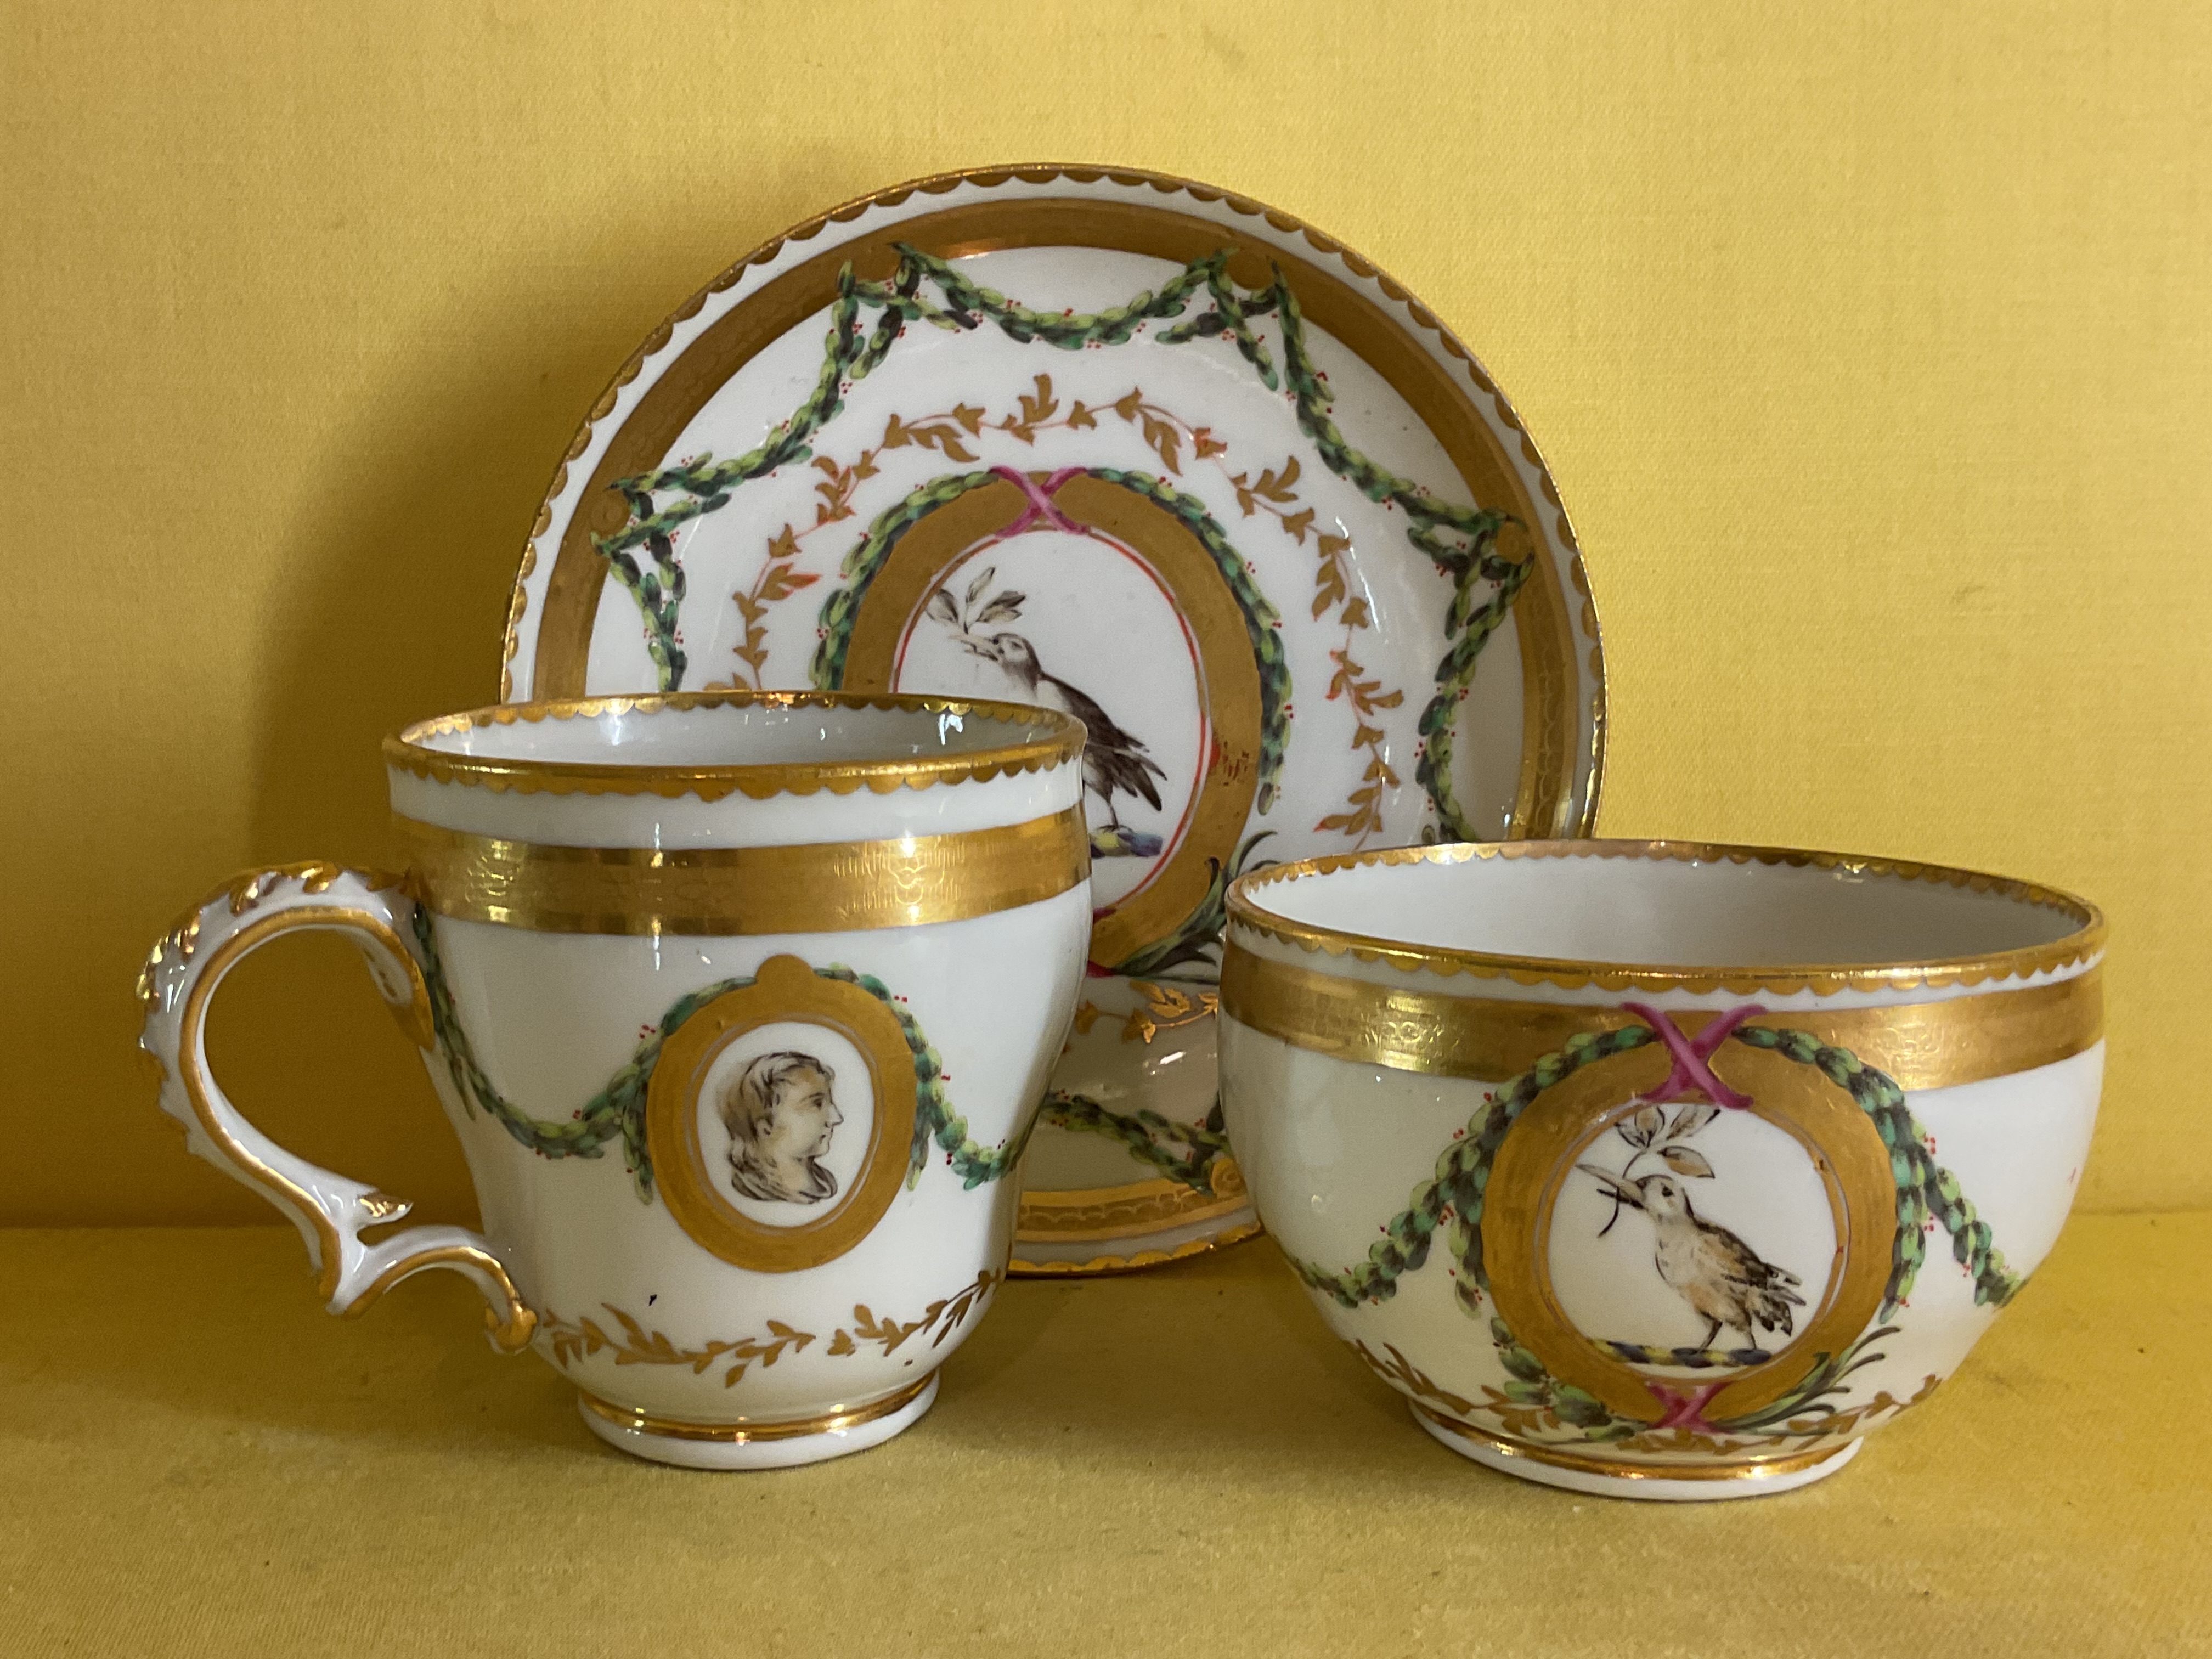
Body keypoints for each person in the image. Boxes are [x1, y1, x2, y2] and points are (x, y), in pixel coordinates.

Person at [719, 1051, 843, 1205]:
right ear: (766, 1128)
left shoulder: (827, 1183)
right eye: (816, 1104)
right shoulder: (755, 1196)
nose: (836, 1118)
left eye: (829, 1103)